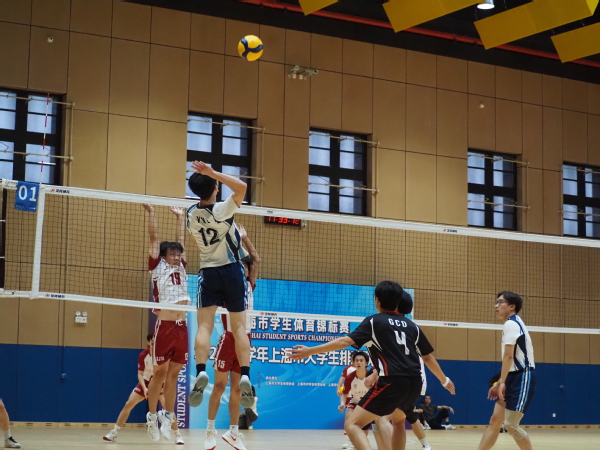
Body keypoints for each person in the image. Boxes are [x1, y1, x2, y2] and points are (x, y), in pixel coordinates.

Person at [291, 281, 455, 450]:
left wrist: (310, 351)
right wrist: (444, 380)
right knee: (398, 421)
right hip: (415, 383)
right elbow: (428, 358)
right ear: (398, 301)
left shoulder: (374, 322)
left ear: (376, 299)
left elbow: (345, 341)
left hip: (392, 381)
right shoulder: (413, 326)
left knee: (352, 424)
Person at [186, 161, 253, 409]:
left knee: (204, 325)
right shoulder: (222, 210)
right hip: (232, 270)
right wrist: (213, 173)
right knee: (239, 327)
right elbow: (242, 187)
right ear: (215, 187)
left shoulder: (190, 214)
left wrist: (208, 178)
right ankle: (245, 374)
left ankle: (201, 370)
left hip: (209, 271)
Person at [204, 224, 260, 450]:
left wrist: (244, 238)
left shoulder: (250, 285)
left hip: (246, 340)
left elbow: (256, 259)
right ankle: (210, 431)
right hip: (229, 339)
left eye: (245, 267)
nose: (244, 269)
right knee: (219, 386)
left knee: (237, 388)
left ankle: (234, 432)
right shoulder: (228, 288)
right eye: (240, 267)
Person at [143, 204, 190, 442]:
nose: (176, 257)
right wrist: (152, 213)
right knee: (159, 374)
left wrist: (180, 218)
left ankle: (167, 416)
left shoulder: (181, 265)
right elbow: (154, 238)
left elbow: (181, 241)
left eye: (178, 254)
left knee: (174, 376)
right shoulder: (157, 266)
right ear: (163, 256)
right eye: (172, 254)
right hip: (165, 326)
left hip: (182, 327)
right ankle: (152, 417)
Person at [477, 292, 536, 450]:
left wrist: (502, 382)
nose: (496, 306)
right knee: (495, 421)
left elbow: (508, 356)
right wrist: (501, 381)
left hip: (522, 375)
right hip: (512, 375)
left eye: (500, 302)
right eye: (496, 302)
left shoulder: (512, 323)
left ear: (512, 306)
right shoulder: (511, 323)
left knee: (511, 425)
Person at [104, 333, 183, 445]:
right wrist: (145, 388)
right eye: (152, 341)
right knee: (128, 404)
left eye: (156, 341)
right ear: (148, 342)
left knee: (168, 409)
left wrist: (163, 387)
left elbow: (167, 374)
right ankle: (114, 433)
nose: (154, 343)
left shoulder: (164, 356)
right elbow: (140, 374)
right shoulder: (143, 355)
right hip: (145, 383)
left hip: (160, 385)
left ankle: (178, 435)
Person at [339, 352, 373, 450]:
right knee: (349, 418)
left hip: (370, 404)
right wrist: (342, 404)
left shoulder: (371, 376)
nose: (359, 362)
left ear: (366, 363)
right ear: (353, 363)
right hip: (355, 402)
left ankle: (361, 444)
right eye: (356, 360)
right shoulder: (350, 377)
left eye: (361, 360)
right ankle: (351, 442)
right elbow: (344, 393)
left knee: (365, 427)